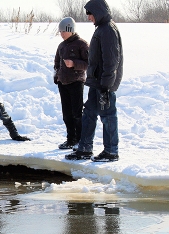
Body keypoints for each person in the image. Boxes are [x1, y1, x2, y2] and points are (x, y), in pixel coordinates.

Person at [65, 0, 123, 162]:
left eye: (90, 14)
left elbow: (111, 61)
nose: (89, 17)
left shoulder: (108, 30)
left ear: (98, 12)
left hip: (104, 83)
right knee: (89, 113)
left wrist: (106, 86)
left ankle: (111, 151)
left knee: (108, 115)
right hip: (96, 82)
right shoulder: (102, 29)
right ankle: (85, 148)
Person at [53, 17, 89, 150]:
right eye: (60, 32)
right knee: (66, 113)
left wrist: (74, 64)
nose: (61, 34)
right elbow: (57, 63)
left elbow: (89, 63)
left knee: (77, 113)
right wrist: (57, 75)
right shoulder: (61, 46)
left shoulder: (82, 44)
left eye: (63, 31)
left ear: (70, 29)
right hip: (63, 83)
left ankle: (80, 140)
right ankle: (70, 139)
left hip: (76, 82)